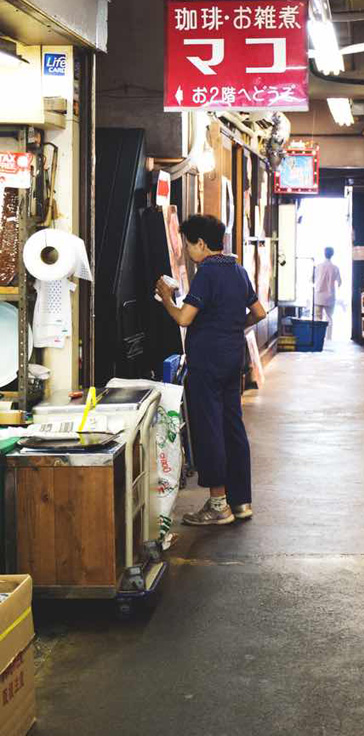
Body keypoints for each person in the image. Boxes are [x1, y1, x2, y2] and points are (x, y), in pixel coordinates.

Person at [155, 213, 266, 527]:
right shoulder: (238, 270)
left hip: (206, 361)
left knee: (208, 428)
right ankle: (240, 501)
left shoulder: (206, 273)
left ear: (201, 244)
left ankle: (218, 504)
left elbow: (184, 318)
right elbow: (258, 312)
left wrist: (166, 298)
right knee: (232, 425)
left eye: (189, 245)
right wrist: (232, 327)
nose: (189, 252)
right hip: (232, 357)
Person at [313, 246, 341, 340]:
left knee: (318, 318)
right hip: (330, 297)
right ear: (332, 254)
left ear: (324, 254)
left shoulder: (318, 267)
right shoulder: (335, 268)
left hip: (318, 296)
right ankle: (329, 338)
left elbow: (312, 279)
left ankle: (318, 337)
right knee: (329, 317)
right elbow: (339, 282)